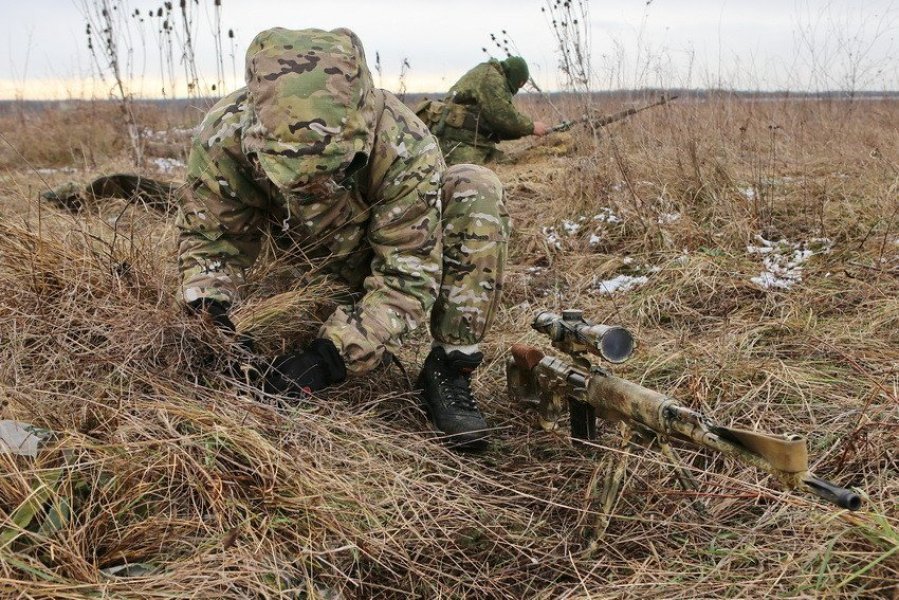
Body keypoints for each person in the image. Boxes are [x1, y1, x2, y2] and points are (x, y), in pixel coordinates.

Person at [177, 27, 510, 452]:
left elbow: (408, 275)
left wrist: (330, 357)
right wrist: (212, 316)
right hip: (295, 270)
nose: (311, 188)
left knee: (475, 187)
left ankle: (450, 366)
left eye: (329, 170)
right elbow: (211, 238)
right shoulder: (224, 136)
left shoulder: (403, 143)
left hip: (371, 257)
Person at [416, 56, 549, 166]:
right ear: (515, 76)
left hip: (467, 141)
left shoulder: (487, 73)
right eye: (520, 84)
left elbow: (497, 127)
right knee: (480, 176)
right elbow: (503, 117)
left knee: (508, 163)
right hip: (457, 144)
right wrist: (532, 127)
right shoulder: (491, 78)